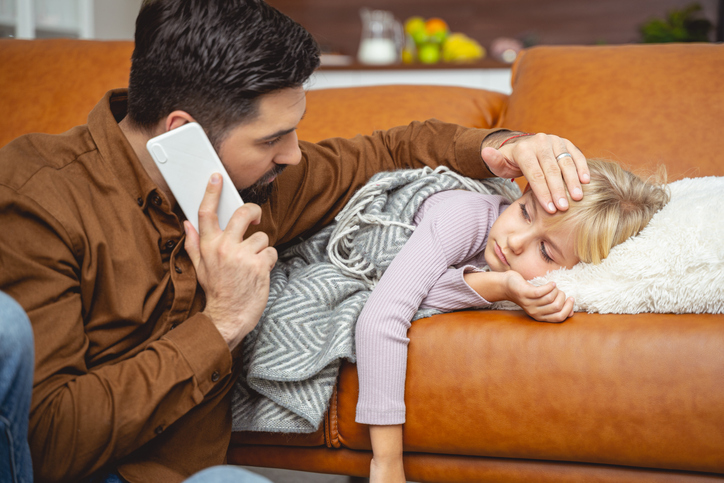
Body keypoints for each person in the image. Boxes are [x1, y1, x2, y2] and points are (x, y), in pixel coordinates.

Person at [0, 0, 590, 481]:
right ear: (185, 134)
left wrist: (506, 148)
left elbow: (390, 150)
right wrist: (223, 322)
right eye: (271, 139)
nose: (293, 154)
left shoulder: (261, 182)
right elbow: (43, 445)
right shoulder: (38, 199)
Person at [355, 159, 670, 483]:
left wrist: (497, 285)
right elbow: (383, 313)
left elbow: (413, 293)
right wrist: (388, 463)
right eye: (525, 212)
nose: (515, 241)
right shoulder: (462, 217)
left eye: (546, 252)